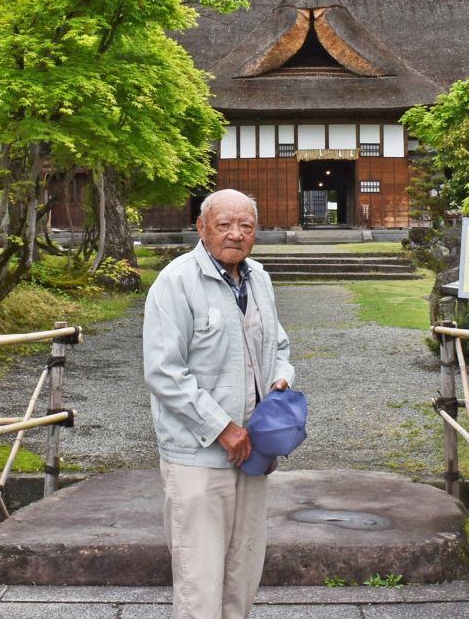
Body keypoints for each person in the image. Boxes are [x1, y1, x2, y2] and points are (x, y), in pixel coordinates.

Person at [143, 188, 294, 619]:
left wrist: (281, 378)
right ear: (202, 227)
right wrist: (223, 427)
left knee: (243, 568)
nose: (235, 234)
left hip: (254, 449)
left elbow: (278, 345)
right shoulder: (177, 281)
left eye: (245, 226)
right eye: (224, 224)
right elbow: (164, 372)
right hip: (197, 454)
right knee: (199, 575)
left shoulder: (258, 278)